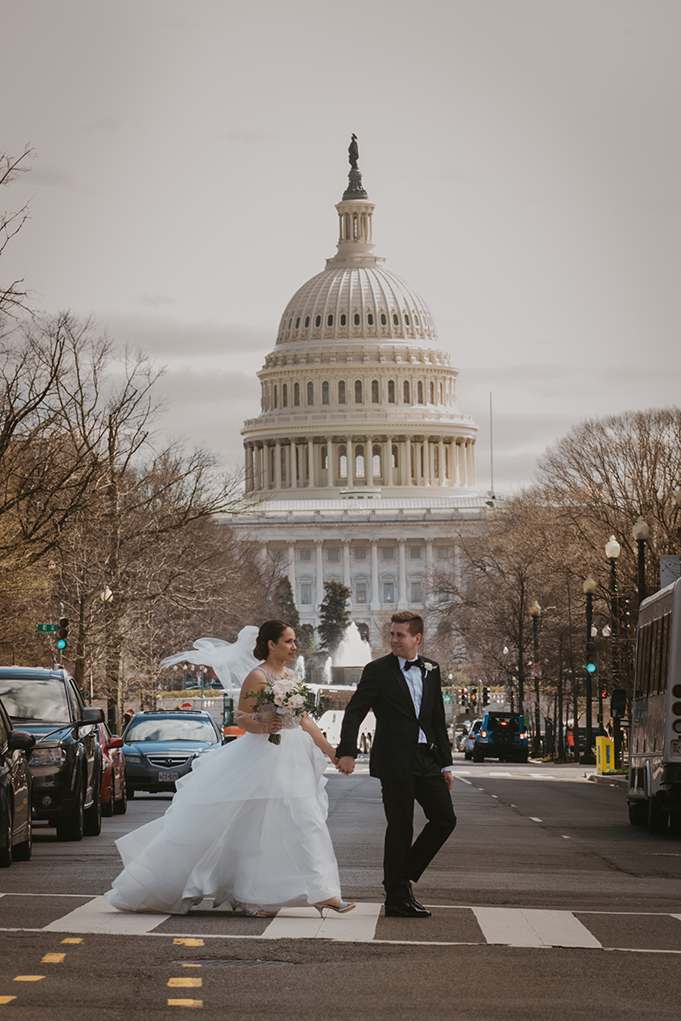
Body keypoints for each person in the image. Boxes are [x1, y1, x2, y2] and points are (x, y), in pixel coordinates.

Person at [106, 620, 354, 917]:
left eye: (294, 641)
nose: (294, 646)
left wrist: (332, 752)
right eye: (288, 641)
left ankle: (325, 892)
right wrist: (265, 725)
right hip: (264, 754)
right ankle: (245, 897)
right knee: (250, 826)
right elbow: (242, 719)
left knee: (307, 820)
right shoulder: (257, 676)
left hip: (294, 755)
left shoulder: (291, 676)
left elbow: (304, 720)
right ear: (272, 645)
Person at [337, 611, 456, 918]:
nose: (393, 640)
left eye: (400, 635)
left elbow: (436, 720)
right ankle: (396, 898)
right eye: (391, 634)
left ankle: (400, 879)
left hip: (426, 758)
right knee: (401, 827)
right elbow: (355, 711)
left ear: (417, 638)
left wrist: (445, 764)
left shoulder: (431, 668)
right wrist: (347, 751)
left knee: (445, 819)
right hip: (394, 758)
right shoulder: (377, 670)